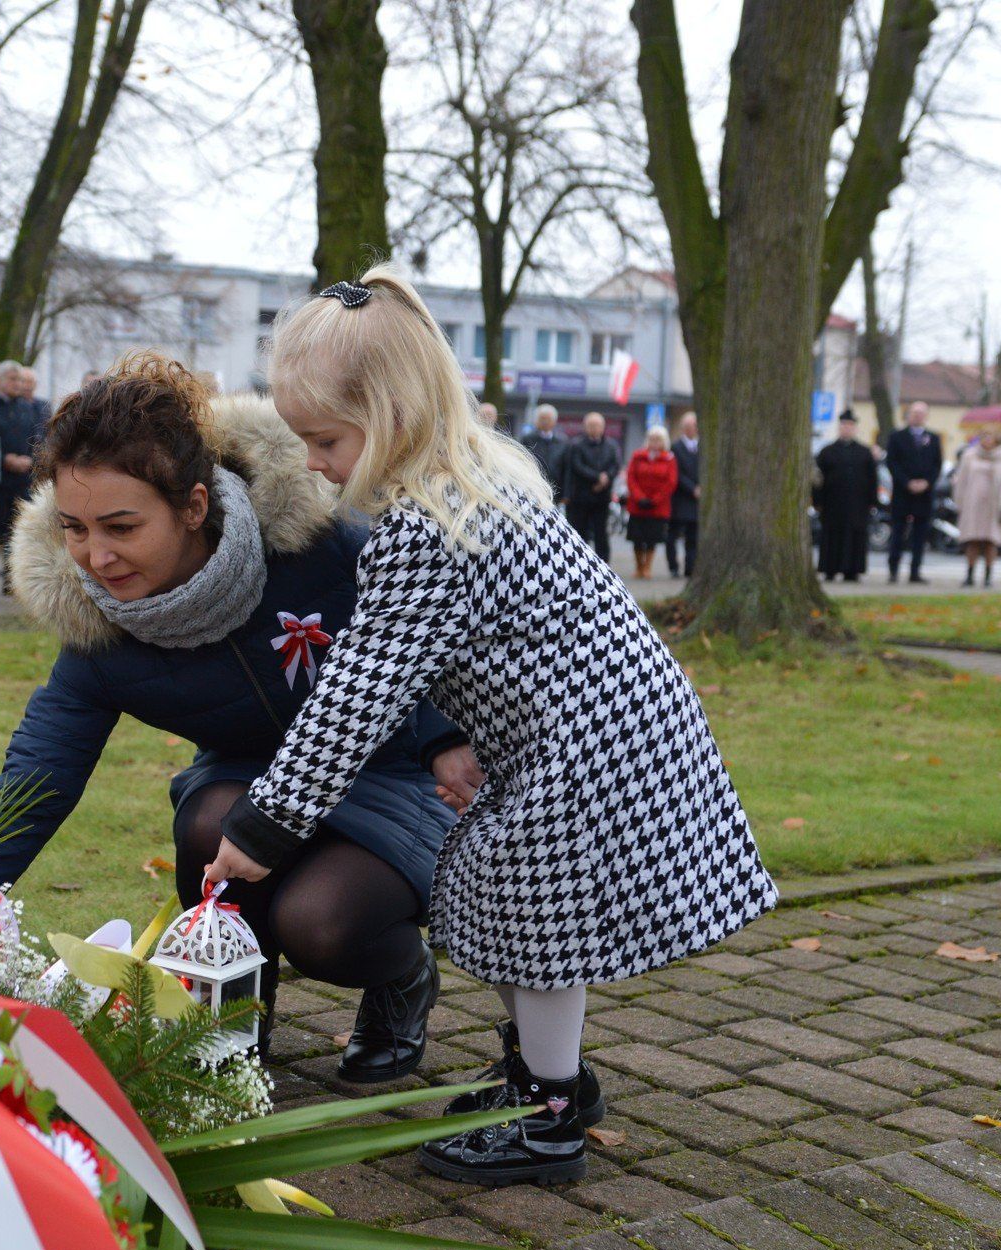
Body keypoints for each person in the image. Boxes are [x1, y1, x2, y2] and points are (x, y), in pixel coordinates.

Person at [209, 266, 774, 1188]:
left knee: (531, 913)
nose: (311, 459)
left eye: (326, 438)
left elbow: (356, 695)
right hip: (600, 727)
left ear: (390, 415)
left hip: (589, 746)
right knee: (491, 890)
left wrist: (262, 828)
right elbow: (446, 649)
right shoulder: (474, 480)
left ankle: (550, 1116)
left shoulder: (429, 526)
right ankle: (544, 1075)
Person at [0, 355, 470, 1082]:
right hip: (248, 781)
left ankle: (402, 977)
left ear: (194, 506)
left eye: (121, 526)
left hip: (383, 774)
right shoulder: (98, 628)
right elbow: (35, 780)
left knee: (321, 922)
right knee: (208, 824)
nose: (96, 557)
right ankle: (234, 1026)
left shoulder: (320, 545)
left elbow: (426, 639)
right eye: (74, 528)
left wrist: (443, 740)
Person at [0, 360, 48, 595]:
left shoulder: (26, 407)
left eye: (19, 379)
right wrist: (5, 458)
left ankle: (11, 579)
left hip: (24, 477)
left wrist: (31, 459)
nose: (18, 384)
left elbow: (37, 436)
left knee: (16, 530)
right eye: (12, 379)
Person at [812, 410, 878, 582]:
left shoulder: (864, 452)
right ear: (839, 427)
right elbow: (818, 479)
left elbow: (872, 479)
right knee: (832, 536)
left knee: (855, 536)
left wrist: (872, 501)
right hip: (832, 504)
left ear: (855, 428)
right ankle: (829, 569)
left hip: (858, 504)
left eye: (850, 426)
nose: (846, 429)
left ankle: (852, 570)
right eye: (843, 425)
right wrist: (817, 501)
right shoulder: (827, 452)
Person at [952, 425, 1001, 589]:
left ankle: (988, 575)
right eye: (984, 436)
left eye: (990, 436)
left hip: (995, 504)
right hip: (973, 503)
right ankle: (969, 574)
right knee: (972, 540)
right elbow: (961, 481)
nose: (987, 439)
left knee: (991, 540)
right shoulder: (970, 455)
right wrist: (959, 502)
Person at [885, 401, 943, 585]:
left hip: (924, 495)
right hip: (903, 493)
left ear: (926, 416)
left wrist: (926, 482)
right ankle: (893, 570)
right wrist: (907, 482)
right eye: (914, 413)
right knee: (898, 533)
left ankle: (915, 571)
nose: (917, 416)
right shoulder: (896, 437)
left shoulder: (933, 438)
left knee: (920, 535)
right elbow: (892, 463)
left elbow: (937, 464)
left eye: (921, 413)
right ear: (908, 414)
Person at [623, 425, 677, 580]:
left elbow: (671, 482)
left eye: (658, 439)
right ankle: (638, 566)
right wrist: (640, 497)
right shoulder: (638, 456)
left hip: (657, 507)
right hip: (638, 505)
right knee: (637, 538)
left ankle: (647, 567)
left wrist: (655, 500)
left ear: (664, 441)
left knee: (652, 538)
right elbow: (631, 477)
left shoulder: (669, 458)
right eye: (652, 439)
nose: (654, 442)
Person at [563, 412, 620, 561]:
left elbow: (615, 465)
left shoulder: (611, 445)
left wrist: (606, 478)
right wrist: (597, 477)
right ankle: (579, 560)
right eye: (591, 425)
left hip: (602, 497)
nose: (594, 428)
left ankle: (603, 562)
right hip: (581, 496)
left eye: (597, 425)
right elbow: (577, 466)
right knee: (580, 531)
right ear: (585, 427)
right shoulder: (576, 445)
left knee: (601, 532)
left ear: (603, 427)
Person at [666, 411, 702, 578]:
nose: (692, 429)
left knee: (692, 537)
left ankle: (690, 568)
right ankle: (673, 566)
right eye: (689, 426)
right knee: (672, 535)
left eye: (694, 426)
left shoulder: (701, 447)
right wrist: (692, 488)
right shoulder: (676, 447)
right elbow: (676, 473)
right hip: (680, 499)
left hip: (696, 501)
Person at [517, 404, 567, 503]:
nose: (545, 422)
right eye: (542, 419)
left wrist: (566, 494)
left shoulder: (562, 442)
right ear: (536, 421)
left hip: (555, 488)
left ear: (554, 421)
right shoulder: (527, 439)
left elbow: (566, 468)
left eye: (548, 419)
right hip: (533, 487)